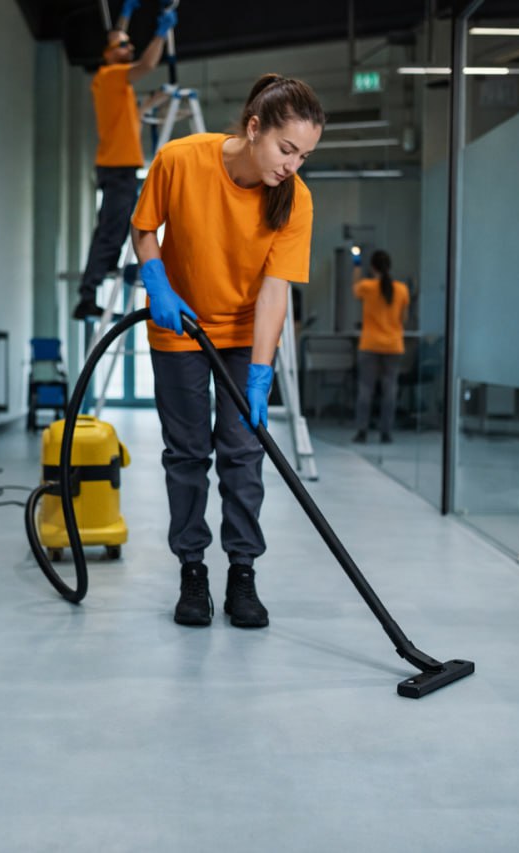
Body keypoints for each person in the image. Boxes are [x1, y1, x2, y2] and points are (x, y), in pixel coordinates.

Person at [129, 74, 325, 628]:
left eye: (304, 156)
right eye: (286, 149)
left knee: (242, 454)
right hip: (179, 328)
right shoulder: (181, 159)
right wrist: (156, 280)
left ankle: (243, 573)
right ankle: (193, 571)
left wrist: (260, 373)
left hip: (243, 337)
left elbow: (274, 290)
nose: (292, 165)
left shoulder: (295, 201)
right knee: (187, 453)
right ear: (254, 127)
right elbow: (143, 227)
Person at [71, 0, 177, 320]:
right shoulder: (111, 76)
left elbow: (138, 115)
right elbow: (145, 63)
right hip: (117, 169)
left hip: (120, 169)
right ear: (108, 53)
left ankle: (90, 289)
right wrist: (161, 34)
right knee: (112, 231)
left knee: (111, 229)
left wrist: (128, 15)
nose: (128, 46)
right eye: (123, 45)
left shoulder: (120, 92)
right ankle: (87, 296)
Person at [351, 249, 410, 444]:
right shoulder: (402, 289)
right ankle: (386, 432)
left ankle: (362, 431)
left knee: (365, 389)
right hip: (393, 345)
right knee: (390, 390)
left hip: (370, 345)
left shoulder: (367, 287)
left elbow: (354, 288)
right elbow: (404, 319)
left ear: (373, 267)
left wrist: (357, 265)